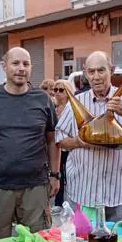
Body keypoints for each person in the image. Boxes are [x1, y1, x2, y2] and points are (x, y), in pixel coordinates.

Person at [55, 51, 122, 222]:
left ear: (111, 70)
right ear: (86, 73)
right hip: (83, 192)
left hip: (118, 193)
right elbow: (60, 139)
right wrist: (78, 142)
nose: (96, 77)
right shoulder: (76, 103)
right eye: (91, 71)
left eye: (101, 70)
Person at [0, 47, 61, 239]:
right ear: (5, 66)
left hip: (35, 186)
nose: (21, 68)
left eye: (26, 64)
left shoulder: (43, 99)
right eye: (16, 63)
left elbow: (52, 140)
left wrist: (55, 174)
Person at [52, 79, 73, 207]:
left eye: (61, 90)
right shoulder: (53, 107)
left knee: (69, 176)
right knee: (58, 175)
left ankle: (69, 202)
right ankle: (58, 203)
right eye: (55, 90)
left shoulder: (72, 108)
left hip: (69, 147)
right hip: (56, 147)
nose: (57, 93)